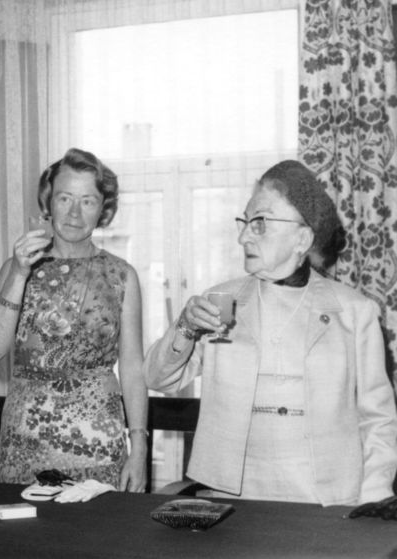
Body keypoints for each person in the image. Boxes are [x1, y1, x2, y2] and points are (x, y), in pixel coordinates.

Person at [144, 160, 397, 506]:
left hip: (327, 499)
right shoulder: (220, 301)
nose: (243, 236)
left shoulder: (354, 312)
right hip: (234, 498)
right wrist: (186, 326)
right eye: (245, 222)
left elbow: (378, 419)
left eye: (260, 223)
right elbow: (158, 378)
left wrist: (372, 498)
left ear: (302, 238)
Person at [0, 148, 147, 491]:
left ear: (103, 208)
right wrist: (19, 274)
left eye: (87, 201)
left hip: (98, 445)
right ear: (49, 202)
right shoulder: (17, 268)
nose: (74, 212)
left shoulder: (122, 275)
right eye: (65, 198)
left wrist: (139, 446)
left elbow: (132, 368)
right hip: (26, 441)